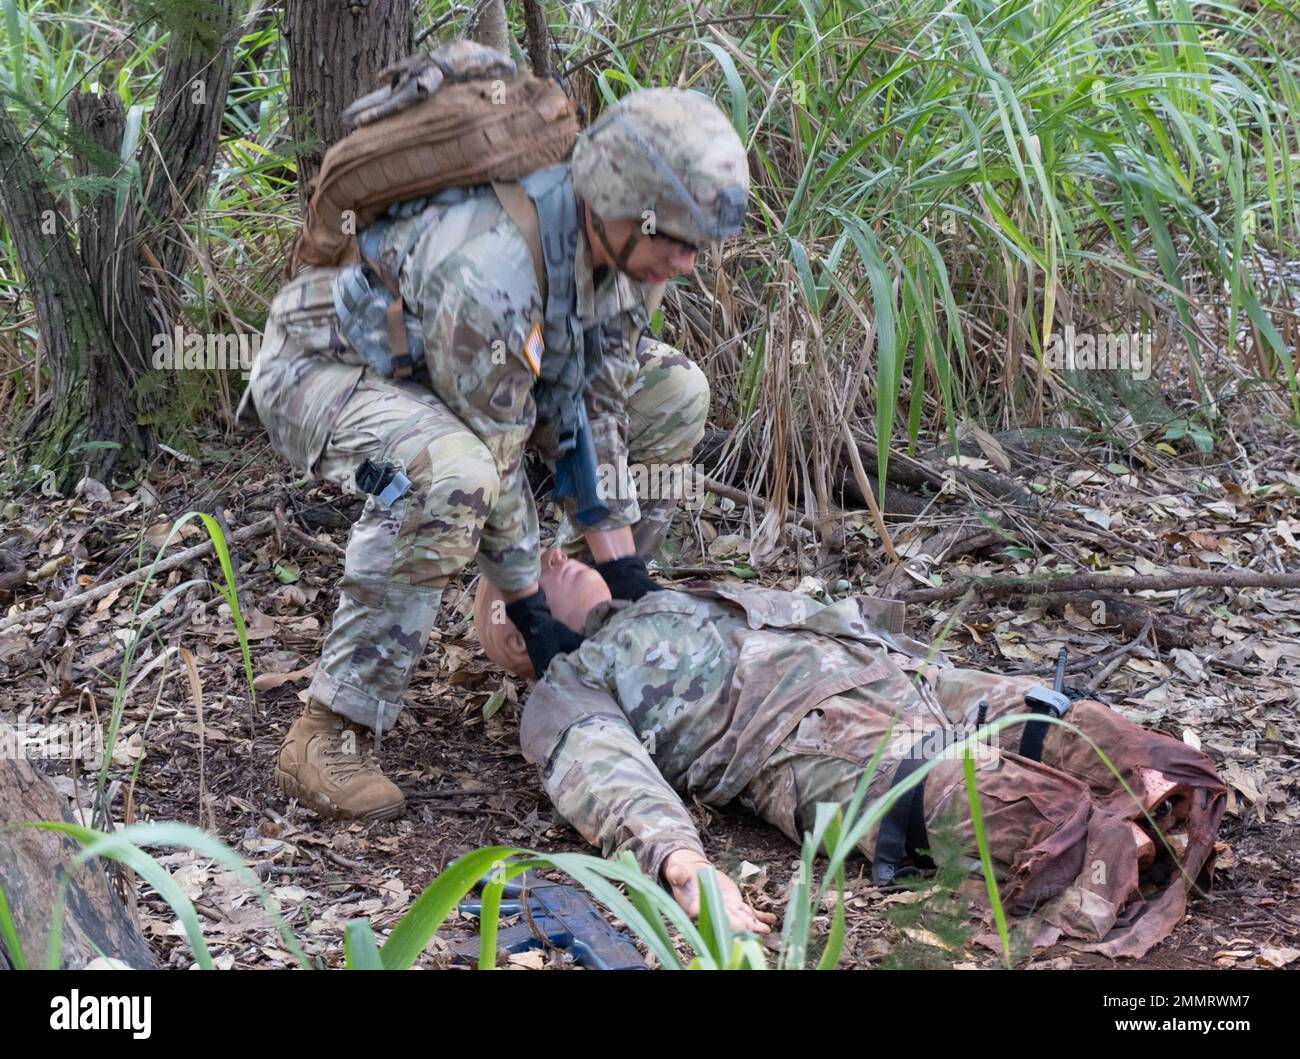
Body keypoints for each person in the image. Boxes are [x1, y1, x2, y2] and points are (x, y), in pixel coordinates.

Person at [244, 84, 749, 821]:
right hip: (322, 375)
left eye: (694, 244)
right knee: (450, 475)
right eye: (673, 239)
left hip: (473, 379)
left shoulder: (623, 257)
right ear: (617, 203)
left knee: (674, 390)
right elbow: (498, 451)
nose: (685, 262)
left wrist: (622, 565)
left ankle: (592, 631)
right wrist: (526, 600)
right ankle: (330, 730)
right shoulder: (492, 275)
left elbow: (598, 403)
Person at [475, 551, 1227, 957]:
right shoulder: (568, 686)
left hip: (918, 681)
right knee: (1023, 810)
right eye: (533, 567)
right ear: (518, 633)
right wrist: (686, 867)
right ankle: (1120, 837)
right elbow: (608, 776)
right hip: (820, 744)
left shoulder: (665, 597)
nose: (554, 553)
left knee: (1098, 732)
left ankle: (1147, 811)